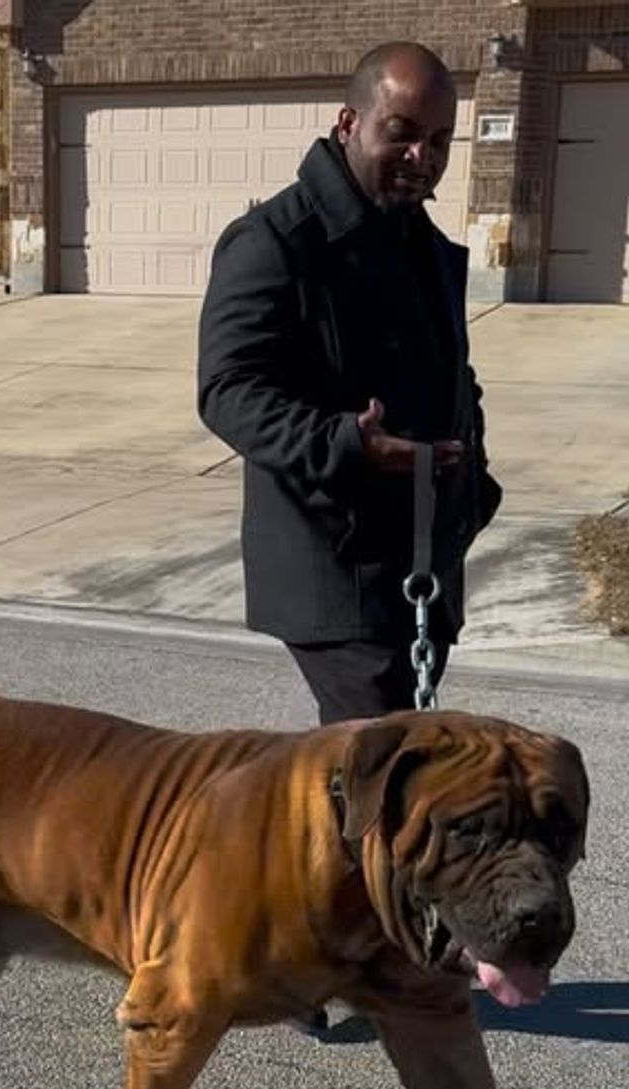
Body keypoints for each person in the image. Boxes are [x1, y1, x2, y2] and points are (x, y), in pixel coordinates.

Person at [198, 41, 502, 725]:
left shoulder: (418, 242)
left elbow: (456, 372)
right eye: (401, 133)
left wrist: (473, 487)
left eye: (439, 141)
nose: (422, 157)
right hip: (337, 565)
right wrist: (346, 444)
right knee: (385, 772)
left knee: (387, 766)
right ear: (349, 124)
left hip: (424, 557)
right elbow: (228, 389)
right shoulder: (275, 241)